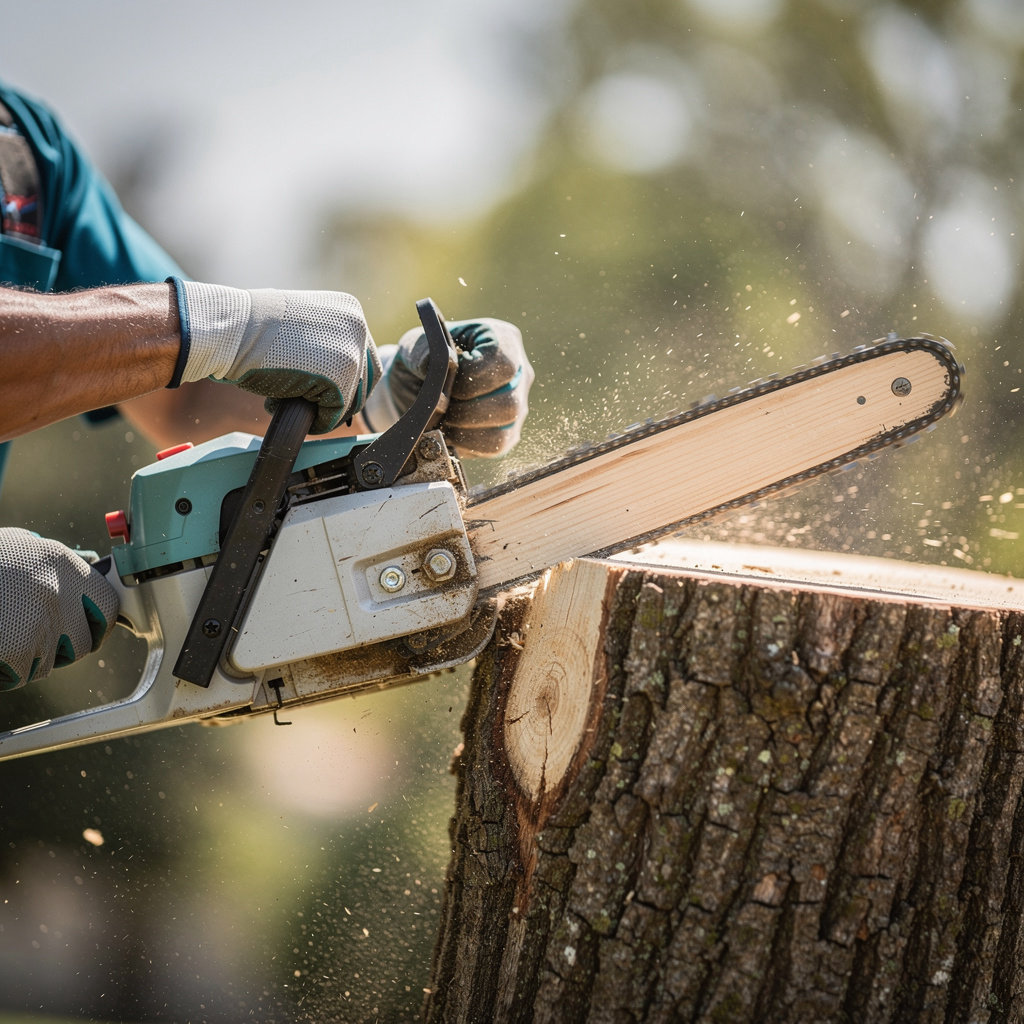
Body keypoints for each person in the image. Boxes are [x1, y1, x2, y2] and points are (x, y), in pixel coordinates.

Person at [0, 82, 533, 690]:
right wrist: (222, 328)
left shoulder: (26, 153)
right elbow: (192, 344)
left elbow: (184, 389)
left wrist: (382, 393)